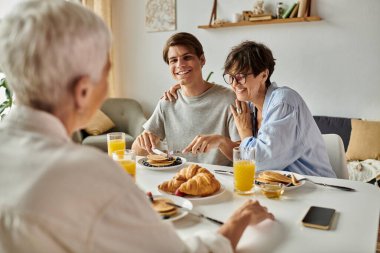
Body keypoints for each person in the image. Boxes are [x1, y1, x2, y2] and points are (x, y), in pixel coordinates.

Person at [0, 1, 274, 253]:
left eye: (186, 57)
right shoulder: (91, 175)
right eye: (107, 72)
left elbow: (245, 153)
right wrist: (240, 221)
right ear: (83, 91)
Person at [166, 41, 336, 178]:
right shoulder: (247, 106)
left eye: (240, 77)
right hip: (279, 191)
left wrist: (246, 133)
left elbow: (261, 162)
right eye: (231, 77)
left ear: (264, 75)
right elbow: (243, 156)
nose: (234, 84)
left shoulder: (284, 101)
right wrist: (182, 88)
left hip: (316, 188)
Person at [132, 32, 240, 165]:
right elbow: (136, 152)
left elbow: (244, 156)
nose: (180, 65)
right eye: (173, 60)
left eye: (187, 57)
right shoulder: (167, 101)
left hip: (217, 181)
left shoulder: (228, 99)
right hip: (179, 178)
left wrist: (221, 141)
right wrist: (142, 141)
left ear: (202, 60)